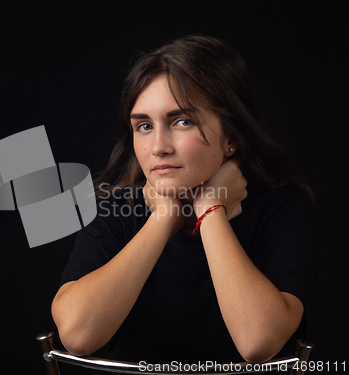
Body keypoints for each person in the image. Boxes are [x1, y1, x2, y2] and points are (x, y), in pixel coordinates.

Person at [51, 34, 318, 367]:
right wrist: (165, 217)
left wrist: (210, 209)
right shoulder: (117, 206)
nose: (159, 146)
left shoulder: (281, 210)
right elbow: (77, 334)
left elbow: (258, 341)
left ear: (231, 138)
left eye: (182, 121)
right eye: (144, 126)